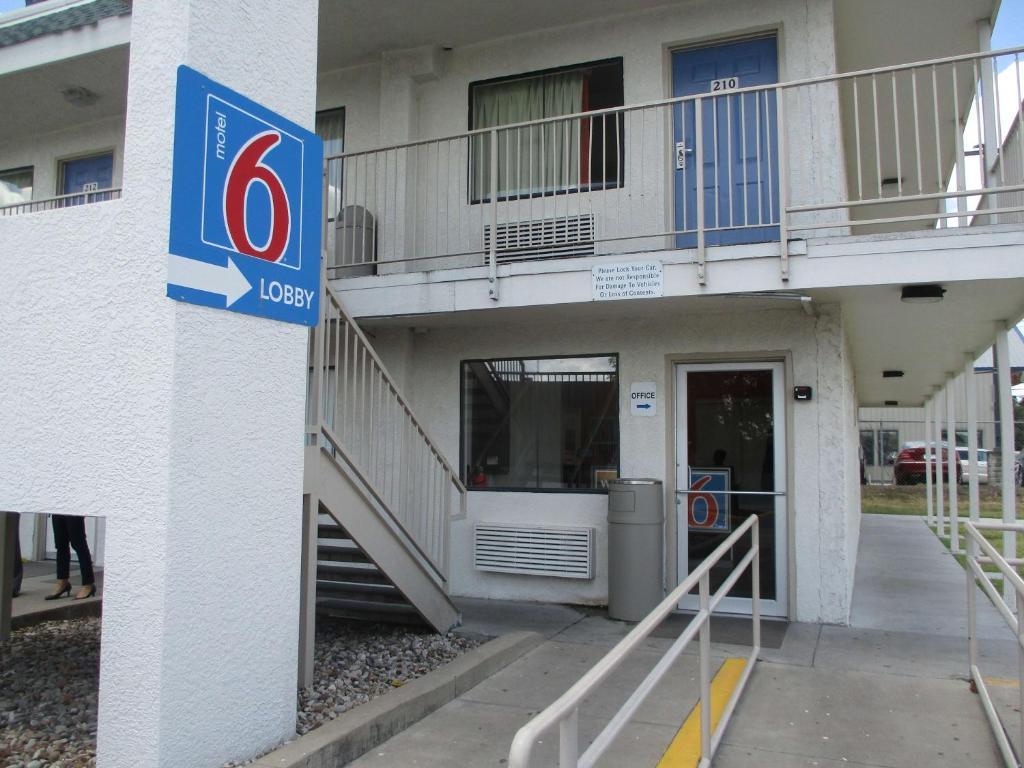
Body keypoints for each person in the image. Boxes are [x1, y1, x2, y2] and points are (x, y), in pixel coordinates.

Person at [45, 514, 96, 600]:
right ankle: (62, 582)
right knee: (60, 544)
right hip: (58, 506)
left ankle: (88, 584)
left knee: (79, 544)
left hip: (74, 506)